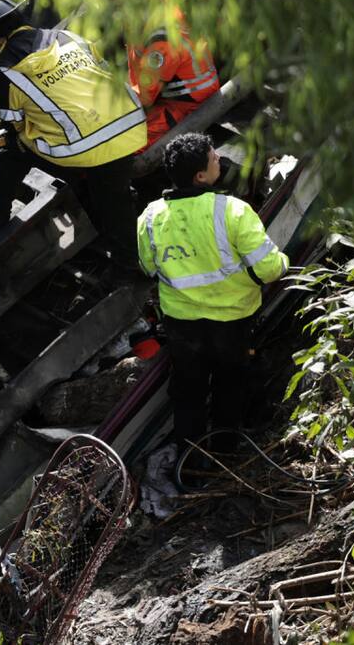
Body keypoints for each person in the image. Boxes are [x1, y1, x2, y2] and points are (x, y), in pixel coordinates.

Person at [0, 0, 147, 261]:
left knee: (9, 146)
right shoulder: (68, 37)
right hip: (132, 125)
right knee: (109, 193)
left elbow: (13, 127)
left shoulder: (5, 72)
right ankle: (124, 239)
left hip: (88, 147)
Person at [136, 133, 288, 478]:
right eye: (213, 157)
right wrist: (283, 262)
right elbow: (269, 269)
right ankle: (224, 458)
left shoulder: (149, 217)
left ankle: (189, 467)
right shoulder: (233, 211)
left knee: (187, 392)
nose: (219, 157)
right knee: (229, 386)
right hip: (232, 321)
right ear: (200, 176)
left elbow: (148, 267)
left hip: (181, 324)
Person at [127, 9, 220, 147]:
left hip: (187, 107)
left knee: (131, 141)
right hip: (175, 95)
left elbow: (145, 98)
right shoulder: (166, 13)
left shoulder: (161, 43)